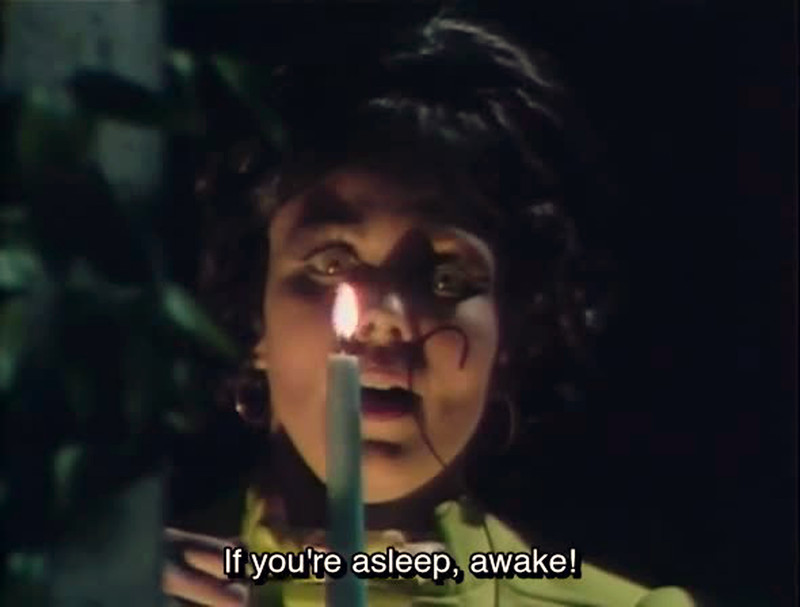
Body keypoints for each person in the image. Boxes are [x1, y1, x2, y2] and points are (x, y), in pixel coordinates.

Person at [163, 14, 695, 607]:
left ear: (511, 332)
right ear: (253, 312)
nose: (384, 315)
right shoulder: (130, 585)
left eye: (444, 278)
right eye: (331, 263)